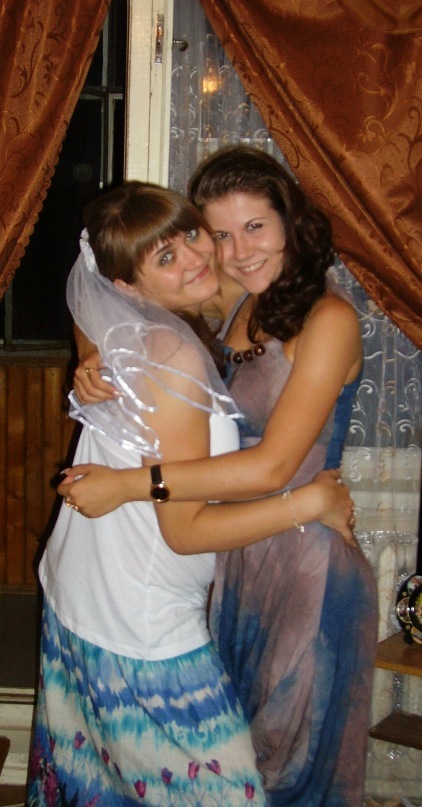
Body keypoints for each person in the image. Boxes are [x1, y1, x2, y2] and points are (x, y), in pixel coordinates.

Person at [59, 148, 378, 806]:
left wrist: (127, 485)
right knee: (241, 754)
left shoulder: (329, 319)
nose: (238, 251)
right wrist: (92, 357)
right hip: (233, 554)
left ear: (289, 221)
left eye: (256, 227)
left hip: (304, 562)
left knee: (287, 770)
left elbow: (272, 466)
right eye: (221, 233)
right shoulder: (239, 299)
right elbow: (107, 286)